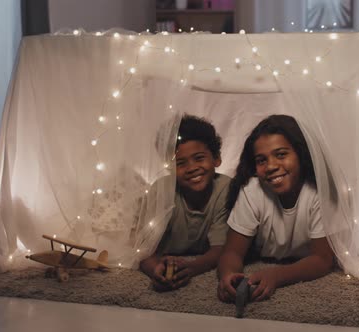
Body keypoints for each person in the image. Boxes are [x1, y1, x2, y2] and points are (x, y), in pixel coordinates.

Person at [217, 114, 335, 302]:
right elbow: (232, 251)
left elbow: (322, 259)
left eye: (281, 154)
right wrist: (228, 275)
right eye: (261, 160)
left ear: (301, 154)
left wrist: (277, 275)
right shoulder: (252, 190)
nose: (271, 166)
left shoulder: (319, 191)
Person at [140, 114, 231, 291]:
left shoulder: (226, 189)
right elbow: (142, 251)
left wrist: (192, 267)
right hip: (163, 251)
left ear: (216, 158)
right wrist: (155, 269)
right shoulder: (162, 191)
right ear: (169, 167)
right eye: (180, 163)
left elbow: (221, 250)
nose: (191, 168)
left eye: (199, 158)